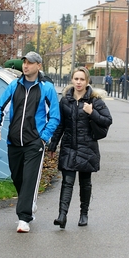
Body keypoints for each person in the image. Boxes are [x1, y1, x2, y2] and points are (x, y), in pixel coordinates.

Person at [0, 51, 60, 233]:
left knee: (29, 180)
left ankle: (24, 218)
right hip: (14, 142)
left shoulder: (46, 89)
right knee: (17, 177)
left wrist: (43, 138)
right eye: (24, 62)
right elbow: (0, 107)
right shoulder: (14, 86)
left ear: (39, 66)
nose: (25, 66)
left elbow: (54, 116)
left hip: (34, 143)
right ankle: (29, 203)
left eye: (30, 63)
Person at [48, 67, 112, 229]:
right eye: (76, 79)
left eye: (82, 79)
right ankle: (62, 216)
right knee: (67, 182)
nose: (78, 82)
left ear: (87, 81)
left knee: (85, 183)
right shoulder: (65, 100)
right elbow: (60, 125)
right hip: (69, 146)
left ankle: (84, 214)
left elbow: (107, 120)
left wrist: (92, 113)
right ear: (72, 80)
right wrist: (53, 145)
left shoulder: (94, 100)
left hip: (87, 146)